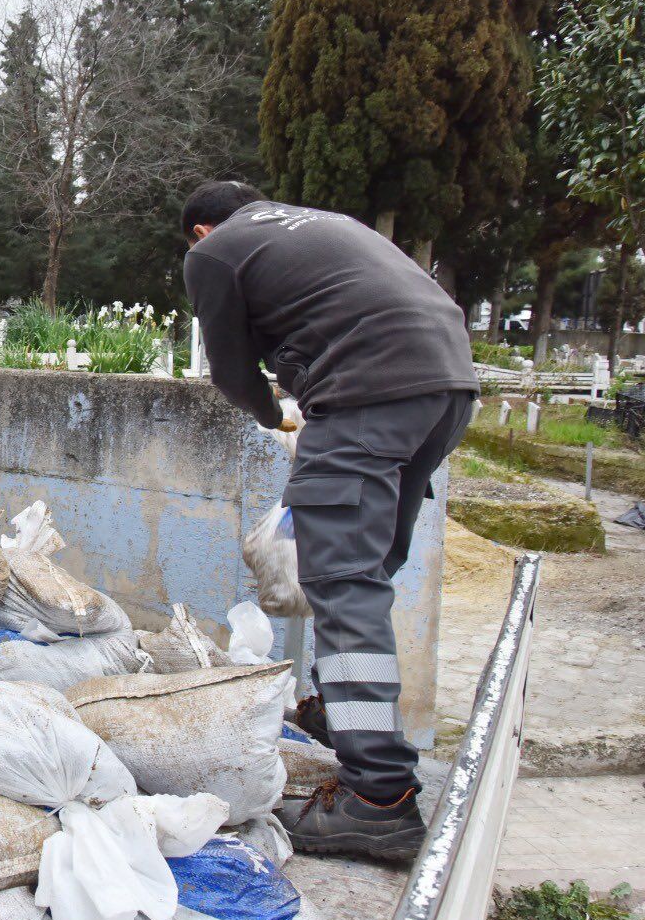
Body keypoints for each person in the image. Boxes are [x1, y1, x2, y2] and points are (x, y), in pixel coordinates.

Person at [181, 181, 479, 861]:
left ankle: (378, 798)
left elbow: (230, 368)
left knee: (342, 586)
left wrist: (270, 414)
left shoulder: (215, 252)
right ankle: (340, 714)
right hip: (447, 384)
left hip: (369, 392)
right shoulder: (319, 223)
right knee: (364, 575)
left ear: (200, 231)